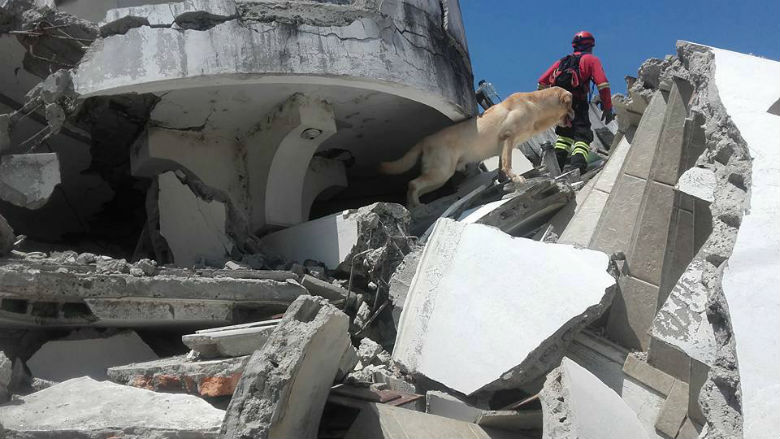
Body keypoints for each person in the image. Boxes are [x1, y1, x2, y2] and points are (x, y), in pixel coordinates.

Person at [537, 31, 615, 173]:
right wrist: (608, 107)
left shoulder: (562, 62)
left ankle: (556, 168)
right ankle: (577, 167)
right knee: (582, 136)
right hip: (578, 103)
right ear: (591, 45)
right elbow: (603, 84)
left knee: (564, 137)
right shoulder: (591, 60)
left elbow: (542, 81)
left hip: (560, 105)